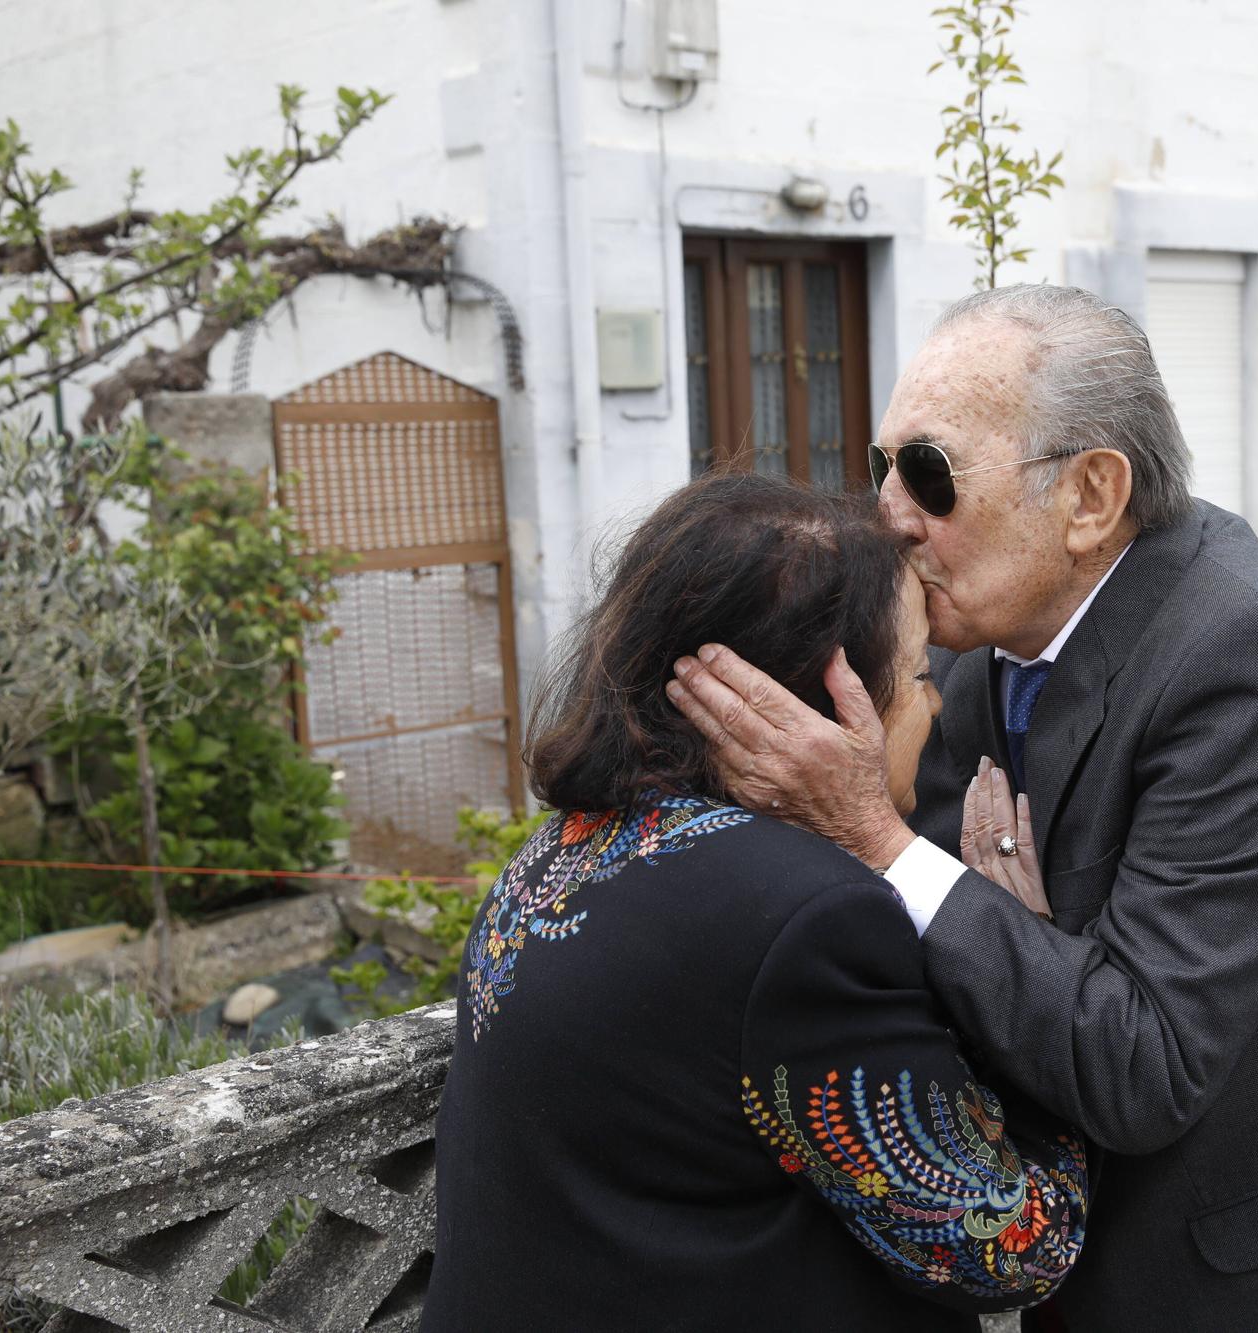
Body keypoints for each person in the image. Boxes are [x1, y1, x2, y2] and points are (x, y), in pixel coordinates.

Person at [668, 285, 1258, 1331]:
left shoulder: (1251, 652)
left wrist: (879, 839)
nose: (888, 515)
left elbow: (1142, 1059)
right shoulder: (978, 655)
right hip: (1110, 1257)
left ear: (1089, 495)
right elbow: (950, 946)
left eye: (931, 476)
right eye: (881, 469)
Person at [424, 474, 1088, 1332]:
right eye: (920, 673)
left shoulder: (567, 843)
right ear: (830, 701)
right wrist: (1024, 959)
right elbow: (1015, 1247)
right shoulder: (803, 920)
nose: (932, 702)